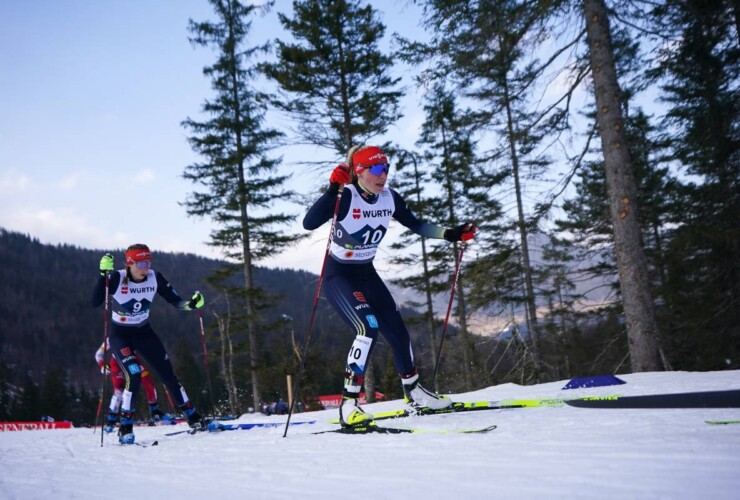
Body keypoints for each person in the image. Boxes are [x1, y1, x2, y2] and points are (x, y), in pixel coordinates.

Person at [302, 145, 477, 427]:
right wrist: (331, 189)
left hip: (366, 273)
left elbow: (417, 225)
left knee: (397, 330)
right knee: (367, 327)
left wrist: (452, 234)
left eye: (386, 169)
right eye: (377, 170)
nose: (383, 176)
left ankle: (415, 393)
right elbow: (309, 223)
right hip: (339, 275)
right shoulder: (345, 196)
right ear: (360, 171)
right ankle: (349, 405)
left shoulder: (389, 198)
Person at [91, 243, 207, 444]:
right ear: (130, 263)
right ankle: (125, 426)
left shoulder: (155, 277)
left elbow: (176, 301)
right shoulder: (117, 278)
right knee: (134, 375)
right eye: (141, 263)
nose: (146, 267)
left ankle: (193, 416)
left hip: (144, 332)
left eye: (148, 262)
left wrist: (191, 304)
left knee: (167, 374)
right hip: (121, 334)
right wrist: (103, 275)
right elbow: (95, 301)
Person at [94, 339, 168, 432]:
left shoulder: (134, 331)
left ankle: (155, 412)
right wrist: (102, 365)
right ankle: (111, 421)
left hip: (133, 361)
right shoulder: (112, 337)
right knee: (119, 391)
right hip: (117, 364)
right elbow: (99, 355)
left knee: (149, 384)